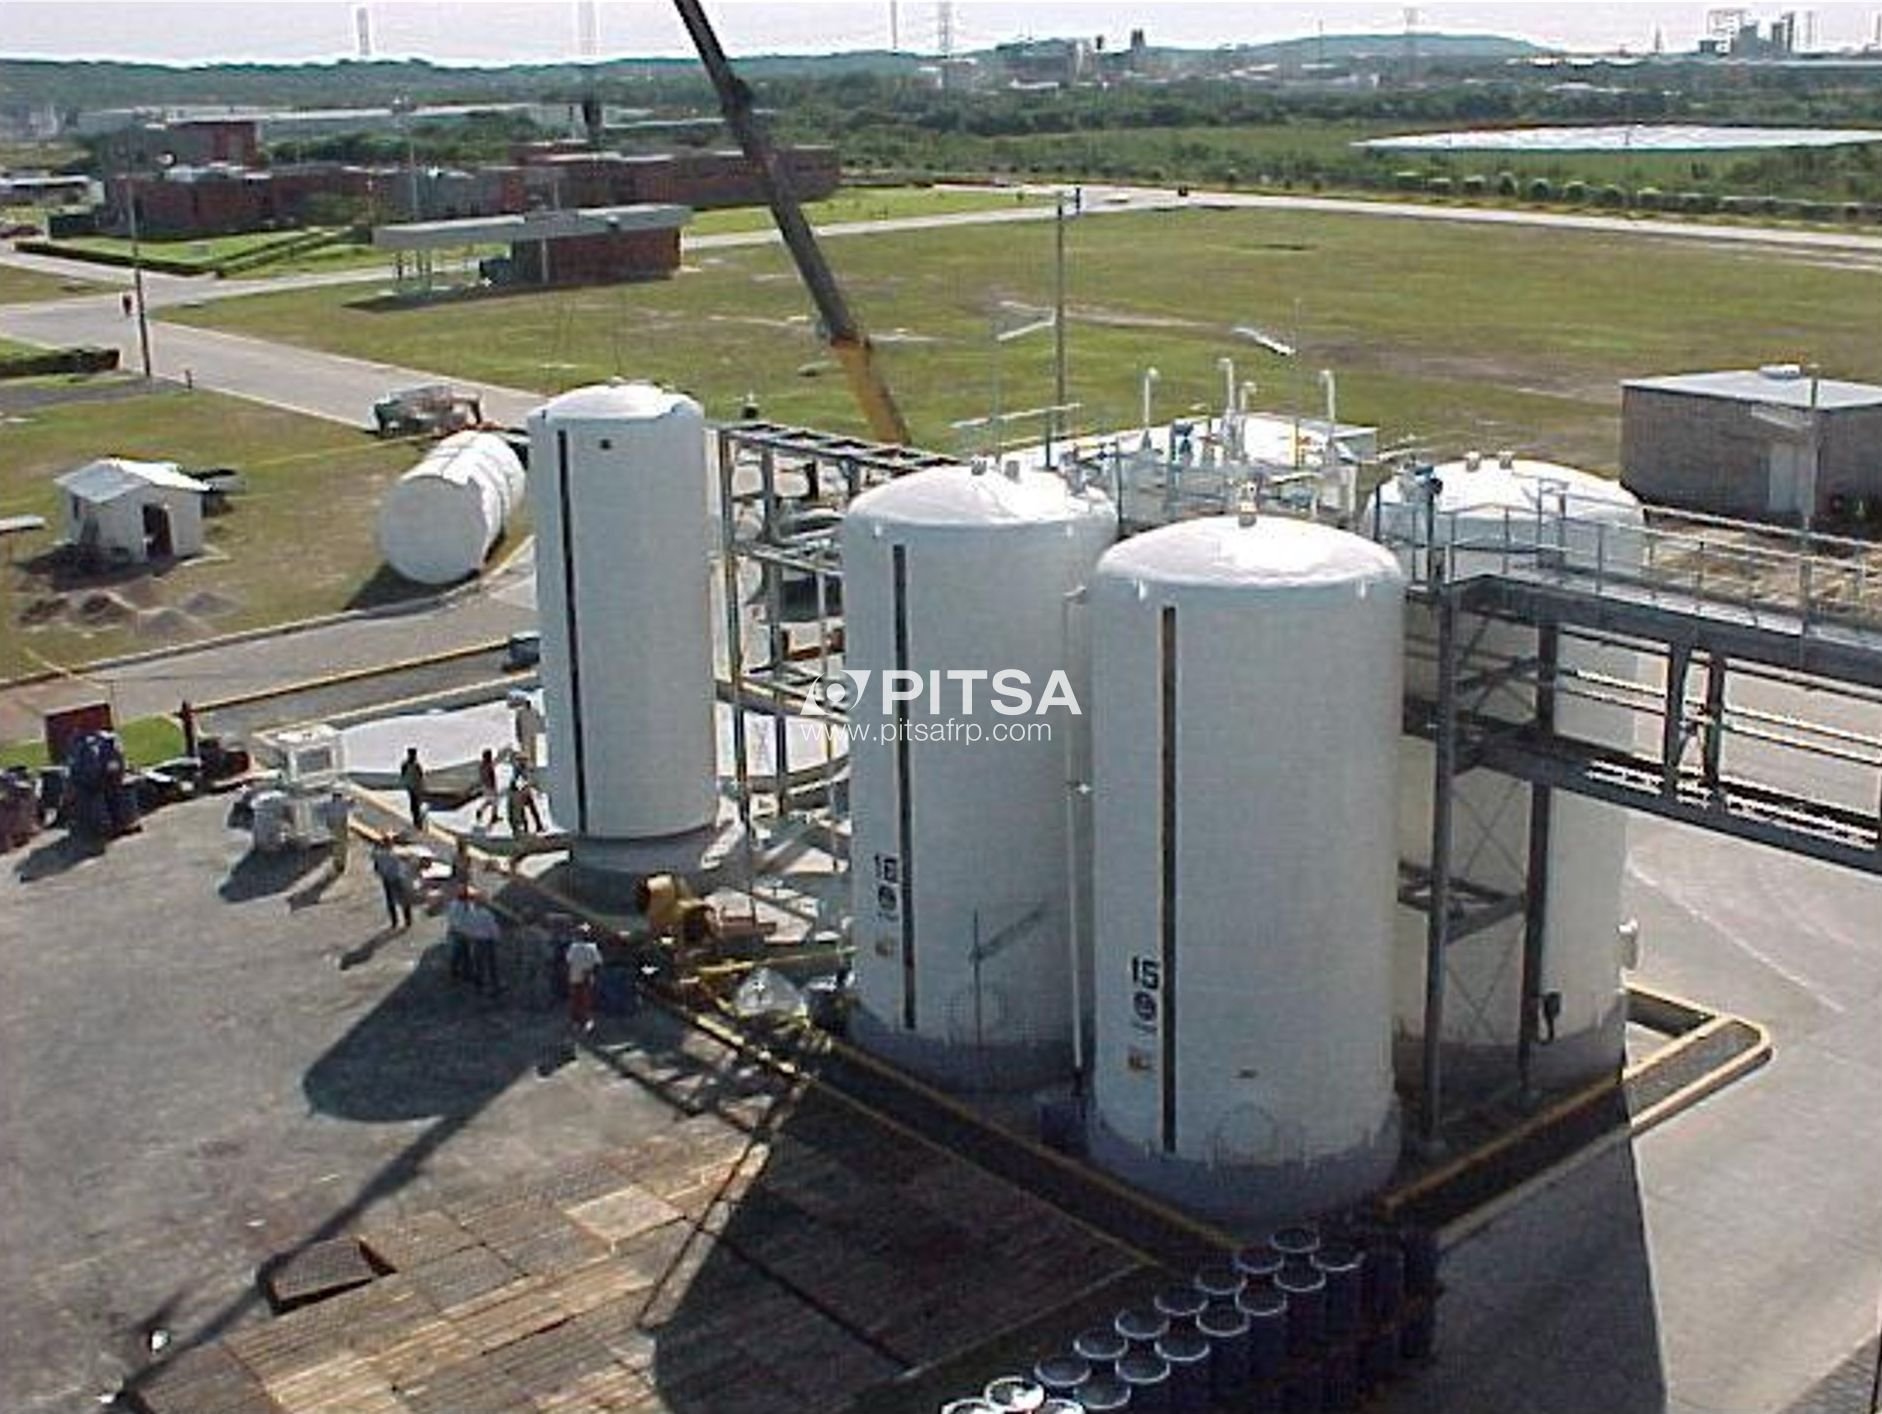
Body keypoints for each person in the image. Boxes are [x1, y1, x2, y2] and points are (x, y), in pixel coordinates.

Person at [371, 834, 414, 930]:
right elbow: (408, 857)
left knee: (390, 901)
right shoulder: (396, 853)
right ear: (391, 844)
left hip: (387, 879)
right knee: (404, 899)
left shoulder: (379, 854)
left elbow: (375, 862)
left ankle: (394, 922)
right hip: (398, 878)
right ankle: (408, 920)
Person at [565, 925, 603, 1033]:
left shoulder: (573, 947)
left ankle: (575, 1022)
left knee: (575, 1000)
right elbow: (598, 962)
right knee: (587, 1001)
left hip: (574, 977)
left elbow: (568, 961)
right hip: (587, 977)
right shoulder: (593, 947)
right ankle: (586, 1022)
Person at [318, 789, 352, 874]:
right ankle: (340, 863)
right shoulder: (343, 803)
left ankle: (338, 863)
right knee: (342, 846)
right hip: (340, 824)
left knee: (337, 846)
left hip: (335, 825)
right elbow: (352, 805)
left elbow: (321, 810)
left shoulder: (329, 804)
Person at [399, 747, 426, 828]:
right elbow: (403, 774)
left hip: (416, 787)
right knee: (414, 805)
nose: (413, 756)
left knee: (416, 805)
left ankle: (418, 822)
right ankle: (417, 821)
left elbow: (420, 776)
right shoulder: (406, 764)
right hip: (411, 787)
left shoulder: (416, 765)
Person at [474, 749, 500, 827]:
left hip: (484, 786)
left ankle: (480, 810)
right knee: (495, 802)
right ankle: (493, 817)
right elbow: (492, 777)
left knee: (489, 801)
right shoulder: (489, 766)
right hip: (490, 787)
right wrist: (494, 787)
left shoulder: (481, 765)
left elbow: (482, 776)